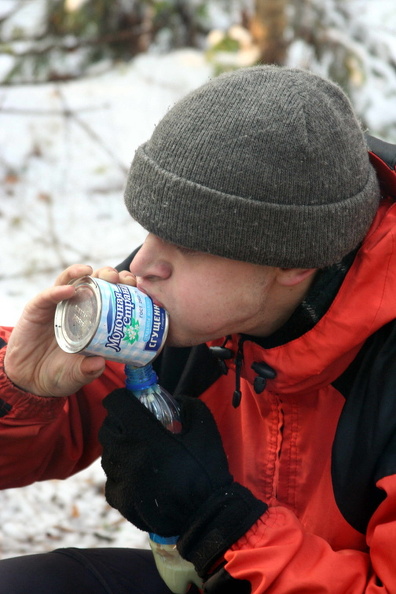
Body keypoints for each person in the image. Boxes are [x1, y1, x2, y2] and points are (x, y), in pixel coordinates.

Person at [0, 64, 394, 593]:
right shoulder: (179, 311)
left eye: (187, 244)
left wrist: (222, 524)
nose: (142, 264)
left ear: (294, 261)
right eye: (151, 229)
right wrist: (23, 389)